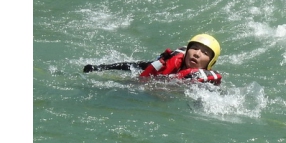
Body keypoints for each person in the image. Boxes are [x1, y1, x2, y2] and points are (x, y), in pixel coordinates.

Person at [82, 33, 223, 85]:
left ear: (211, 62)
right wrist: (101, 67)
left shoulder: (205, 83)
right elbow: (135, 66)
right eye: (194, 48)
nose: (197, 54)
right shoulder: (171, 60)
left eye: (204, 53)